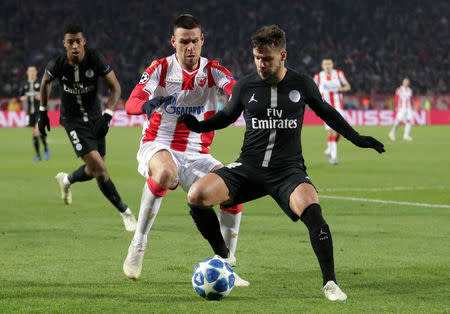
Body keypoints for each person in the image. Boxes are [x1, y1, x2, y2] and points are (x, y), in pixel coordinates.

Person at [178, 25, 385, 301]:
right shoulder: (245, 86)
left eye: (267, 59)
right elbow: (227, 116)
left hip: (288, 172)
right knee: (197, 195)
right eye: (257, 58)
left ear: (283, 55)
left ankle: (331, 283)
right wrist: (199, 126)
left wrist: (356, 138)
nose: (261, 64)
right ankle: (225, 257)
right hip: (248, 168)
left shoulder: (301, 84)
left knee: (313, 212)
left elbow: (327, 112)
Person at [123, 14, 247, 285]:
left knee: (233, 192)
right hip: (159, 143)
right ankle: (139, 244)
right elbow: (132, 102)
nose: (189, 47)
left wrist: (243, 99)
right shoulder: (161, 69)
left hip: (197, 152)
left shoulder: (213, 70)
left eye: (194, 41)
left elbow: (236, 89)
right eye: (183, 42)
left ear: (202, 41)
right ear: (173, 42)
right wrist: (146, 104)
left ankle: (227, 265)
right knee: (166, 173)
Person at [38, 24, 137, 231]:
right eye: (70, 42)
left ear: (84, 42)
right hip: (72, 121)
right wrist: (42, 112)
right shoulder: (59, 64)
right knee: (101, 170)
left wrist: (108, 115)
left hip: (95, 119)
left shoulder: (95, 59)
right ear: (64, 44)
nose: (75, 45)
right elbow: (46, 81)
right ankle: (125, 212)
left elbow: (115, 87)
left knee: (93, 170)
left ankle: (67, 179)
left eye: (78, 41)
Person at [313, 58, 351, 165]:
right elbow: (311, 89)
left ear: (332, 64)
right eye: (325, 64)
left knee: (340, 131)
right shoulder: (318, 76)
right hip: (325, 108)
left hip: (338, 107)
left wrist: (340, 89)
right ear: (322, 65)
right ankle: (333, 157)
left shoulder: (339, 74)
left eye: (329, 63)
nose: (327, 65)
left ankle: (330, 149)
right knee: (331, 130)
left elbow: (348, 86)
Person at [20, 66, 50, 161]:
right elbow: (21, 96)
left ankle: (45, 150)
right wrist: (23, 98)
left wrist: (41, 97)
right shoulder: (24, 84)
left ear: (36, 72)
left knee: (38, 130)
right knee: (34, 133)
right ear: (27, 72)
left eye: (33, 71)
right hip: (30, 113)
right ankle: (38, 155)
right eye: (30, 71)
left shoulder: (39, 83)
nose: (32, 72)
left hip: (39, 111)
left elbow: (46, 94)